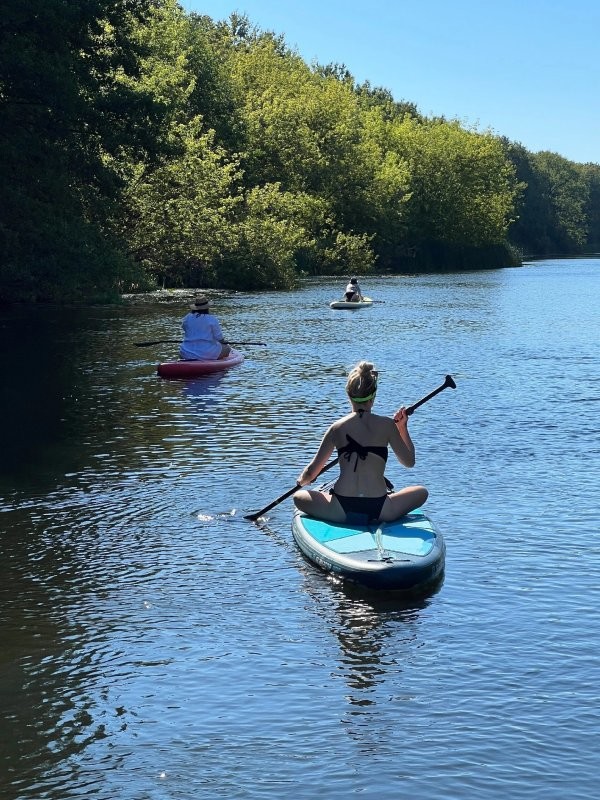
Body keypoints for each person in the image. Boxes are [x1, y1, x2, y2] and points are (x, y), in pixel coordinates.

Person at [293, 361, 428, 524]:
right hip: (380, 509)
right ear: (374, 396)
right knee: (422, 492)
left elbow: (311, 473)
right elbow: (409, 462)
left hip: (340, 508)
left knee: (298, 497)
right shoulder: (387, 425)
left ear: (349, 396)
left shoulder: (337, 428)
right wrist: (402, 428)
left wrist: (302, 481)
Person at [180, 295, 232, 360]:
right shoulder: (212, 319)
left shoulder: (187, 317)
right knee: (227, 349)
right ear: (207, 308)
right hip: (207, 353)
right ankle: (213, 360)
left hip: (186, 352)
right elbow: (219, 338)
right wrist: (224, 342)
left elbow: (184, 328)